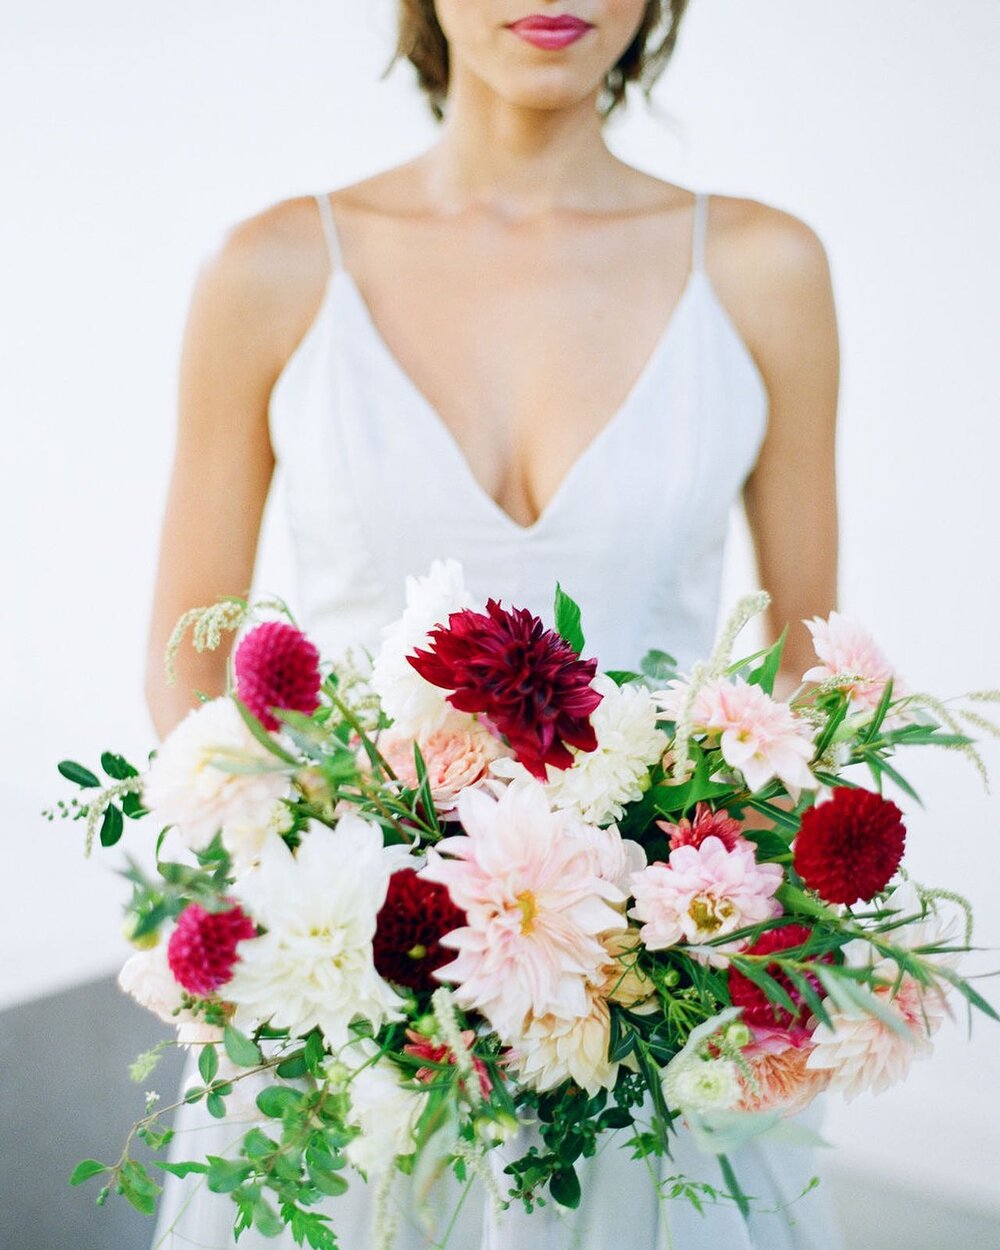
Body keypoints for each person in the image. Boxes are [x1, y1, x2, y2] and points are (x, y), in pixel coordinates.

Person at [144, 2, 842, 1247]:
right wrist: (318, 917)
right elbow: (190, 666)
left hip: (649, 1011)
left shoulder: (760, 267)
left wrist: (705, 922)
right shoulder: (272, 267)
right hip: (359, 1009)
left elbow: (804, 669)